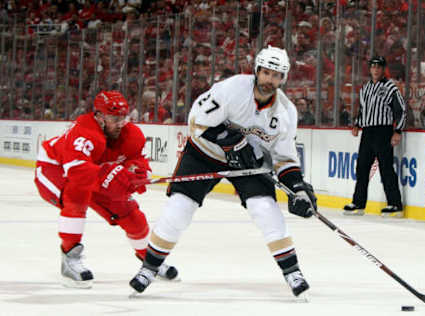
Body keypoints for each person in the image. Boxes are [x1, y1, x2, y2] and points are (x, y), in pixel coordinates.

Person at [129, 46, 317, 298]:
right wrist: (231, 141)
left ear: (283, 78)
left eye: (276, 75)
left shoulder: (286, 112)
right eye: (266, 72)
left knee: (265, 209)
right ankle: (149, 267)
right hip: (204, 154)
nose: (270, 79)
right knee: (179, 208)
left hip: (248, 163)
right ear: (257, 70)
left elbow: (284, 158)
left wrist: (297, 188)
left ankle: (292, 271)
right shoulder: (232, 89)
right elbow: (197, 121)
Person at [34, 90, 177, 288]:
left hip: (92, 172)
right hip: (54, 167)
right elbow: (77, 171)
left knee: (130, 213)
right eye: (114, 118)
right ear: (99, 116)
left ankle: (150, 261)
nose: (120, 123)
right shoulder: (85, 132)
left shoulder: (131, 135)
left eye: (123, 118)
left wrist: (136, 174)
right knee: (76, 196)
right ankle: (70, 257)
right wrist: (110, 176)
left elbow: (137, 160)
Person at [343, 56, 406, 217]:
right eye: (373, 66)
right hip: (368, 132)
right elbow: (363, 110)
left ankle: (395, 204)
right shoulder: (365, 88)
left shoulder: (391, 87)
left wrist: (397, 130)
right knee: (362, 167)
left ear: (383, 69)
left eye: (379, 67)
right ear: (370, 69)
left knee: (386, 168)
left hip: (383, 131)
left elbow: (401, 110)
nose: (376, 69)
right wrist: (358, 124)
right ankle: (358, 202)